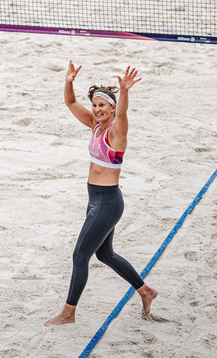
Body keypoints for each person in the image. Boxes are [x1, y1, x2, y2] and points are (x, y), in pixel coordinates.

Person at [46, 62, 158, 327]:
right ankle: (145, 291)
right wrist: (69, 81)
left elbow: (123, 115)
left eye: (103, 106)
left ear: (112, 108)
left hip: (107, 202)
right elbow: (70, 102)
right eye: (95, 105)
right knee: (105, 255)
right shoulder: (94, 124)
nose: (97, 109)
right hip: (95, 200)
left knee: (80, 256)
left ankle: (68, 313)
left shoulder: (116, 132)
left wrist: (124, 91)